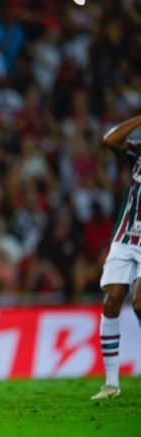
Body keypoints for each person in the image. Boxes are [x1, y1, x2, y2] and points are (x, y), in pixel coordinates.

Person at [91, 113, 141, 400]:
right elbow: (110, 138)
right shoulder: (138, 154)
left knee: (139, 303)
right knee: (111, 300)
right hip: (124, 239)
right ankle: (111, 383)